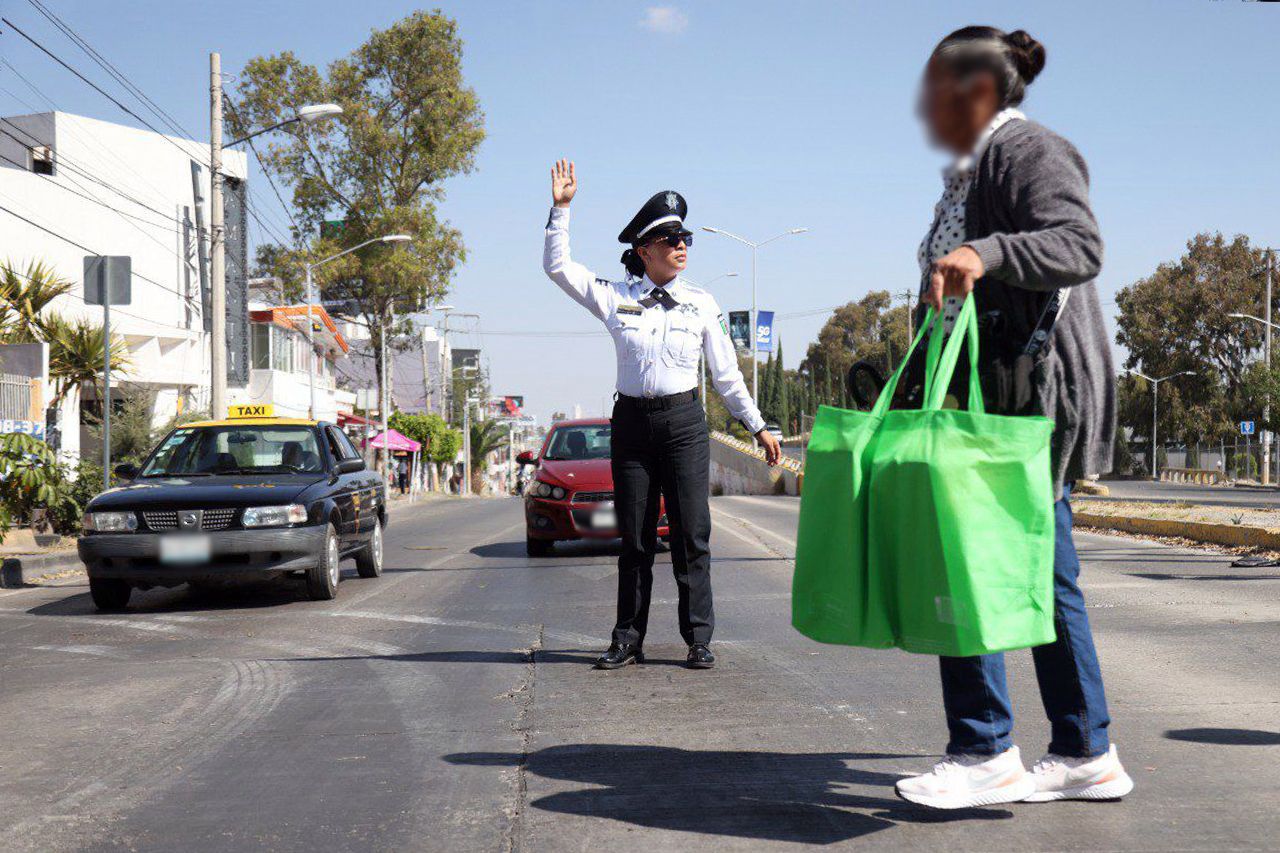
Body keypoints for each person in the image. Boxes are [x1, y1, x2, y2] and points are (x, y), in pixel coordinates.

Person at [892, 27, 1134, 809]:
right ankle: (1085, 750)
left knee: (965, 562)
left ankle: (984, 747)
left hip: (1028, 397)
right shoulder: (972, 168)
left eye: (936, 88)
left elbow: (1079, 243)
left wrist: (985, 253)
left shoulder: (1025, 149)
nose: (925, 105)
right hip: (997, 399)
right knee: (1041, 569)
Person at [542, 159, 781, 670]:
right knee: (635, 537)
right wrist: (561, 209)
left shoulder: (701, 303)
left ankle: (699, 638)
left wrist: (757, 425)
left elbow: (726, 375)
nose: (681, 246)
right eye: (670, 239)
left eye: (685, 238)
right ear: (644, 250)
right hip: (632, 427)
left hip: (684, 426)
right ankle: (628, 638)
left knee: (692, 535)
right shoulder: (615, 297)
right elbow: (558, 268)